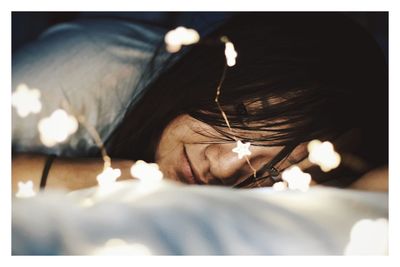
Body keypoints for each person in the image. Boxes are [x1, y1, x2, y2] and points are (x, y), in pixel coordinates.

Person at [12, 13, 388, 192]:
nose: (225, 168)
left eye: (272, 169)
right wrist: (128, 174)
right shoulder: (84, 75)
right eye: (239, 113)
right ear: (213, 72)